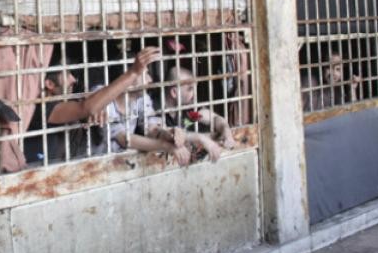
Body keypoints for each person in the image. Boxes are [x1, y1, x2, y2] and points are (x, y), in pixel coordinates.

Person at [24, 47, 162, 165]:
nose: (73, 79)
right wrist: (133, 73)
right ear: (49, 84)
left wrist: (89, 112)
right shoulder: (41, 109)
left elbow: (85, 108)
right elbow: (85, 108)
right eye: (66, 74)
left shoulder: (67, 100)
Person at [95, 48, 195, 166]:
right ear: (129, 78)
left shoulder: (140, 98)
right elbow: (124, 139)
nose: (150, 79)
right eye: (146, 74)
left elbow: (151, 128)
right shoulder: (103, 97)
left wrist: (169, 134)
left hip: (119, 163)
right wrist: (165, 146)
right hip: (93, 165)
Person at [157, 66, 236, 156]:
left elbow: (214, 118)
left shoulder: (189, 109)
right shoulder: (155, 109)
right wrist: (200, 138)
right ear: (174, 92)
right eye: (190, 89)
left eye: (195, 89)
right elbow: (166, 136)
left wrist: (226, 130)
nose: (195, 94)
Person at [300, 45, 360, 111]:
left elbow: (353, 112)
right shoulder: (310, 82)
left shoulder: (339, 86)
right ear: (322, 67)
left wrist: (352, 89)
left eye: (338, 69)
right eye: (329, 67)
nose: (333, 73)